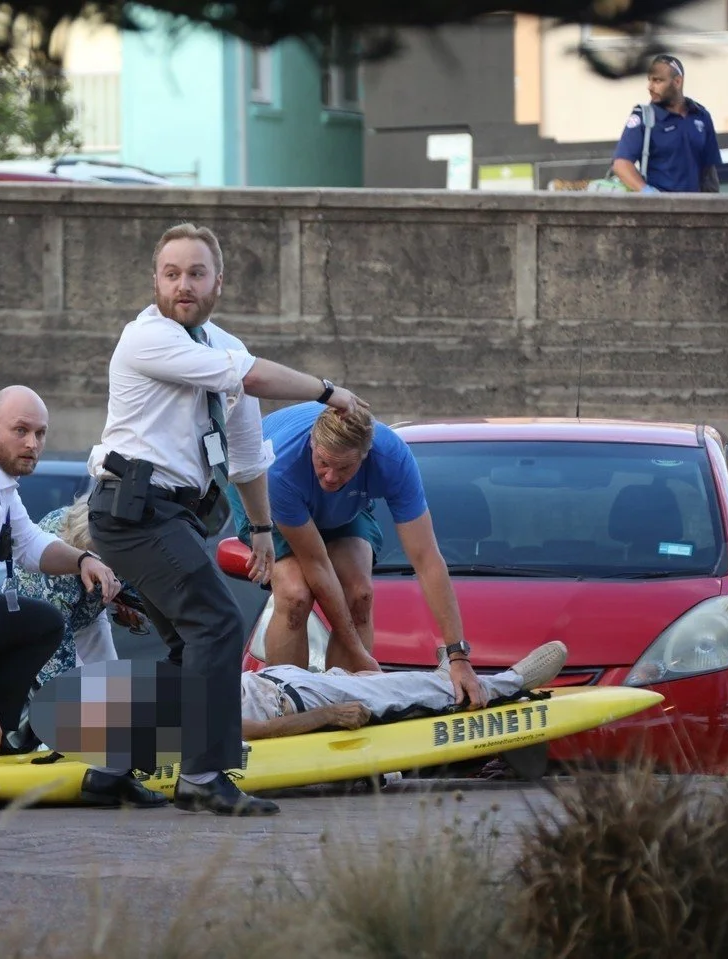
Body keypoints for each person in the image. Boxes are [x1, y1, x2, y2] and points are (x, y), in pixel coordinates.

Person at [86, 222, 369, 817]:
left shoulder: (225, 346)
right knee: (215, 624)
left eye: (195, 273)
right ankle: (204, 776)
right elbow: (248, 378)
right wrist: (328, 392)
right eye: (171, 274)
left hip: (174, 517)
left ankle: (111, 768)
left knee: (192, 647)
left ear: (219, 281)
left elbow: (245, 455)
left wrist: (263, 531)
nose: (182, 285)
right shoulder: (146, 339)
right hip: (132, 513)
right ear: (155, 281)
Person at [0, 385, 168, 809]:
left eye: (40, 433)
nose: (32, 444)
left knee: (40, 622)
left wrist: (82, 561)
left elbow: (29, 544)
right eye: (20, 430)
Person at [226, 403, 486, 710]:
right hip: (265, 494)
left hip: (346, 505)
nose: (331, 477)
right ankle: (285, 703)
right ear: (313, 443)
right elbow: (317, 564)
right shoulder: (282, 465)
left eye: (344, 467)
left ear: (364, 456)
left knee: (360, 595)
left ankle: (349, 699)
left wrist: (458, 656)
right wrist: (361, 656)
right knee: (295, 594)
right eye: (323, 462)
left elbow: (427, 558)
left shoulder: (392, 459)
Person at [240, 642, 568, 741]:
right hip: (290, 700)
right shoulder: (189, 726)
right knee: (397, 694)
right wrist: (329, 715)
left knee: (374, 680)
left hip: (274, 680)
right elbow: (255, 732)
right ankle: (512, 682)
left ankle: (442, 680)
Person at [11, 495, 147, 690]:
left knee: (113, 690)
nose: (108, 573)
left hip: (89, 619)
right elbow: (58, 665)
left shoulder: (123, 540)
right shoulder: (58, 573)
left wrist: (136, 612)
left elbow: (142, 592)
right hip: (38, 623)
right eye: (99, 563)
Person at [611, 53, 721, 194]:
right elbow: (621, 164)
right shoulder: (644, 117)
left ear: (677, 82)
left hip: (694, 209)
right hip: (659, 210)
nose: (650, 87)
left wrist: (713, 207)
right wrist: (646, 191)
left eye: (657, 81)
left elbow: (709, 170)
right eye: (649, 80)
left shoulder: (701, 116)